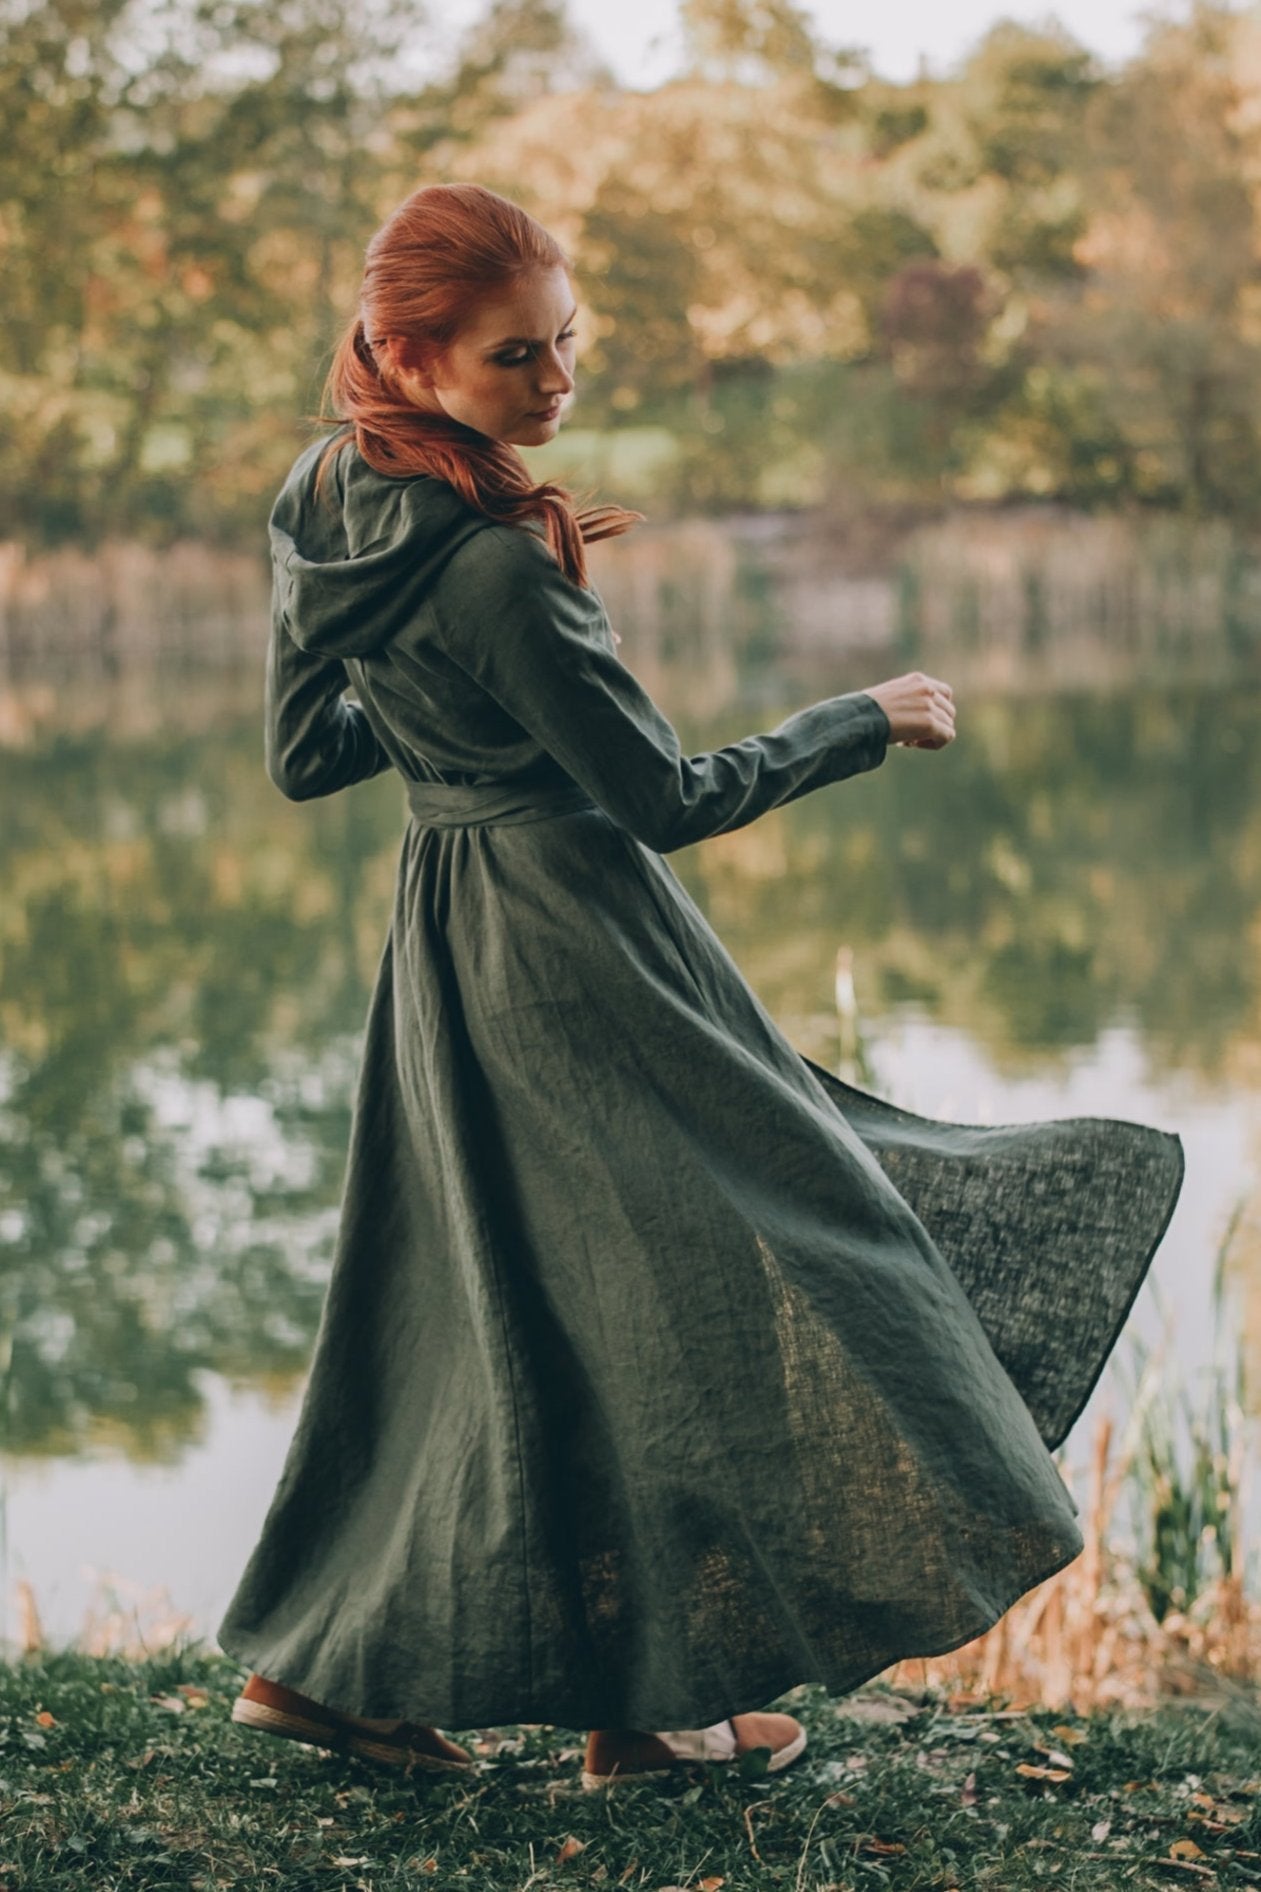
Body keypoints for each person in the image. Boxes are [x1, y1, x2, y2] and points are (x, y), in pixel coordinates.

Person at [216, 182, 1184, 1790]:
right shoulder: (493, 571)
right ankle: (645, 1716)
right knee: (738, 1269)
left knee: (500, 1307)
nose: (556, 383)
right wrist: (859, 718)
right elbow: (665, 796)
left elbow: (306, 752)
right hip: (582, 944)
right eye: (516, 358)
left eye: (567, 345)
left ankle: (349, 1683)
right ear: (409, 352)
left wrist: (456, 723)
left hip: (454, 940)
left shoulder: (326, 499)